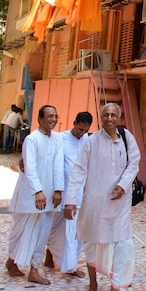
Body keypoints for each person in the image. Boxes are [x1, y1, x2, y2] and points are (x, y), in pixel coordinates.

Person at [64, 103, 139, 291]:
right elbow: (79, 170)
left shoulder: (126, 137)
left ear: (119, 117)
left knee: (124, 246)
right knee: (92, 244)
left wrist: (123, 186)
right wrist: (70, 199)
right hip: (95, 202)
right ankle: (93, 285)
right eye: (105, 114)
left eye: (113, 115)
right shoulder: (91, 141)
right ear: (100, 117)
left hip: (119, 203)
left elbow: (134, 163)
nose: (109, 118)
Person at [5, 105, 64, 285]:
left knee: (41, 234)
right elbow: (29, 168)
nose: (53, 119)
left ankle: (34, 269)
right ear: (40, 119)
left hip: (49, 196)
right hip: (30, 196)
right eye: (49, 116)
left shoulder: (57, 139)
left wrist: (58, 190)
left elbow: (58, 165)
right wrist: (37, 192)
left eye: (55, 116)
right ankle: (12, 260)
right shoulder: (32, 140)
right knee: (23, 232)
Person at [45, 111, 92, 277]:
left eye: (85, 131)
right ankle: (50, 254)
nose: (81, 133)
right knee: (54, 228)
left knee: (75, 231)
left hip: (80, 194)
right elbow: (48, 158)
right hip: (61, 192)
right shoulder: (60, 138)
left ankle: (71, 265)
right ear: (73, 122)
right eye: (79, 129)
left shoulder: (89, 140)